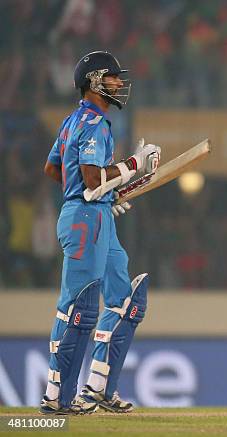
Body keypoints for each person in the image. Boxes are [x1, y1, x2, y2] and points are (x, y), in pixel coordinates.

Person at [41, 51, 160, 414]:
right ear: (94, 81)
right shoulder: (92, 123)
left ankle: (97, 388)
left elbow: (52, 168)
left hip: (95, 216)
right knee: (79, 309)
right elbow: (91, 180)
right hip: (84, 220)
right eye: (112, 78)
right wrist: (133, 167)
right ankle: (56, 398)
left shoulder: (72, 121)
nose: (119, 84)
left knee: (126, 302)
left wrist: (103, 196)